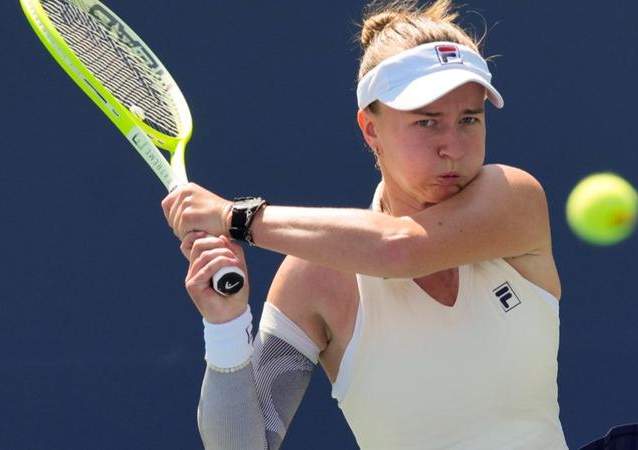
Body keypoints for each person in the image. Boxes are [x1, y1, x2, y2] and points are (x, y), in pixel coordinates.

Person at [161, 0, 568, 448]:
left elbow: (400, 249)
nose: (453, 146)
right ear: (370, 130)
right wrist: (225, 327)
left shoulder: (514, 199)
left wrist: (233, 217)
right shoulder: (315, 279)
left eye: (469, 119)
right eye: (427, 122)